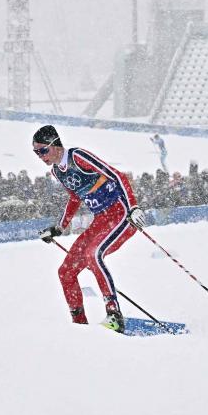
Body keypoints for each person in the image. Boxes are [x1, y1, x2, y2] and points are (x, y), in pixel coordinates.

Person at [33, 125, 141, 331]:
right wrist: (59, 228)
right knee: (65, 272)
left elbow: (118, 176)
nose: (40, 156)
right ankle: (79, 325)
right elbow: (75, 198)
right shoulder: (56, 171)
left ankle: (114, 315)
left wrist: (133, 207)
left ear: (55, 145)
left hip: (120, 214)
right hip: (100, 220)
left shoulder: (78, 156)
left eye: (43, 150)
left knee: (93, 254)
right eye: (36, 153)